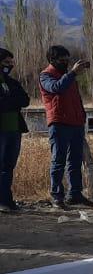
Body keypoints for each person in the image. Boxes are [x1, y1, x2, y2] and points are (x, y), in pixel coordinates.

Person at [40, 45, 93, 208]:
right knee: (59, 161)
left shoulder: (68, 76)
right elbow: (56, 88)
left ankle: (75, 194)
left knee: (75, 161)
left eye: (67, 60)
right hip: (59, 123)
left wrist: (82, 116)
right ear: (52, 60)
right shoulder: (46, 76)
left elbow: (76, 99)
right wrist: (73, 73)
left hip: (76, 123)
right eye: (62, 60)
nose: (66, 63)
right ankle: (57, 196)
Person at [0, 48, 30, 212]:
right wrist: (12, 101)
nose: (9, 66)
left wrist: (7, 100)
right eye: (6, 63)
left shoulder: (12, 82)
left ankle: (7, 200)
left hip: (14, 129)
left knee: (8, 166)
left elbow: (25, 100)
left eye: (11, 63)